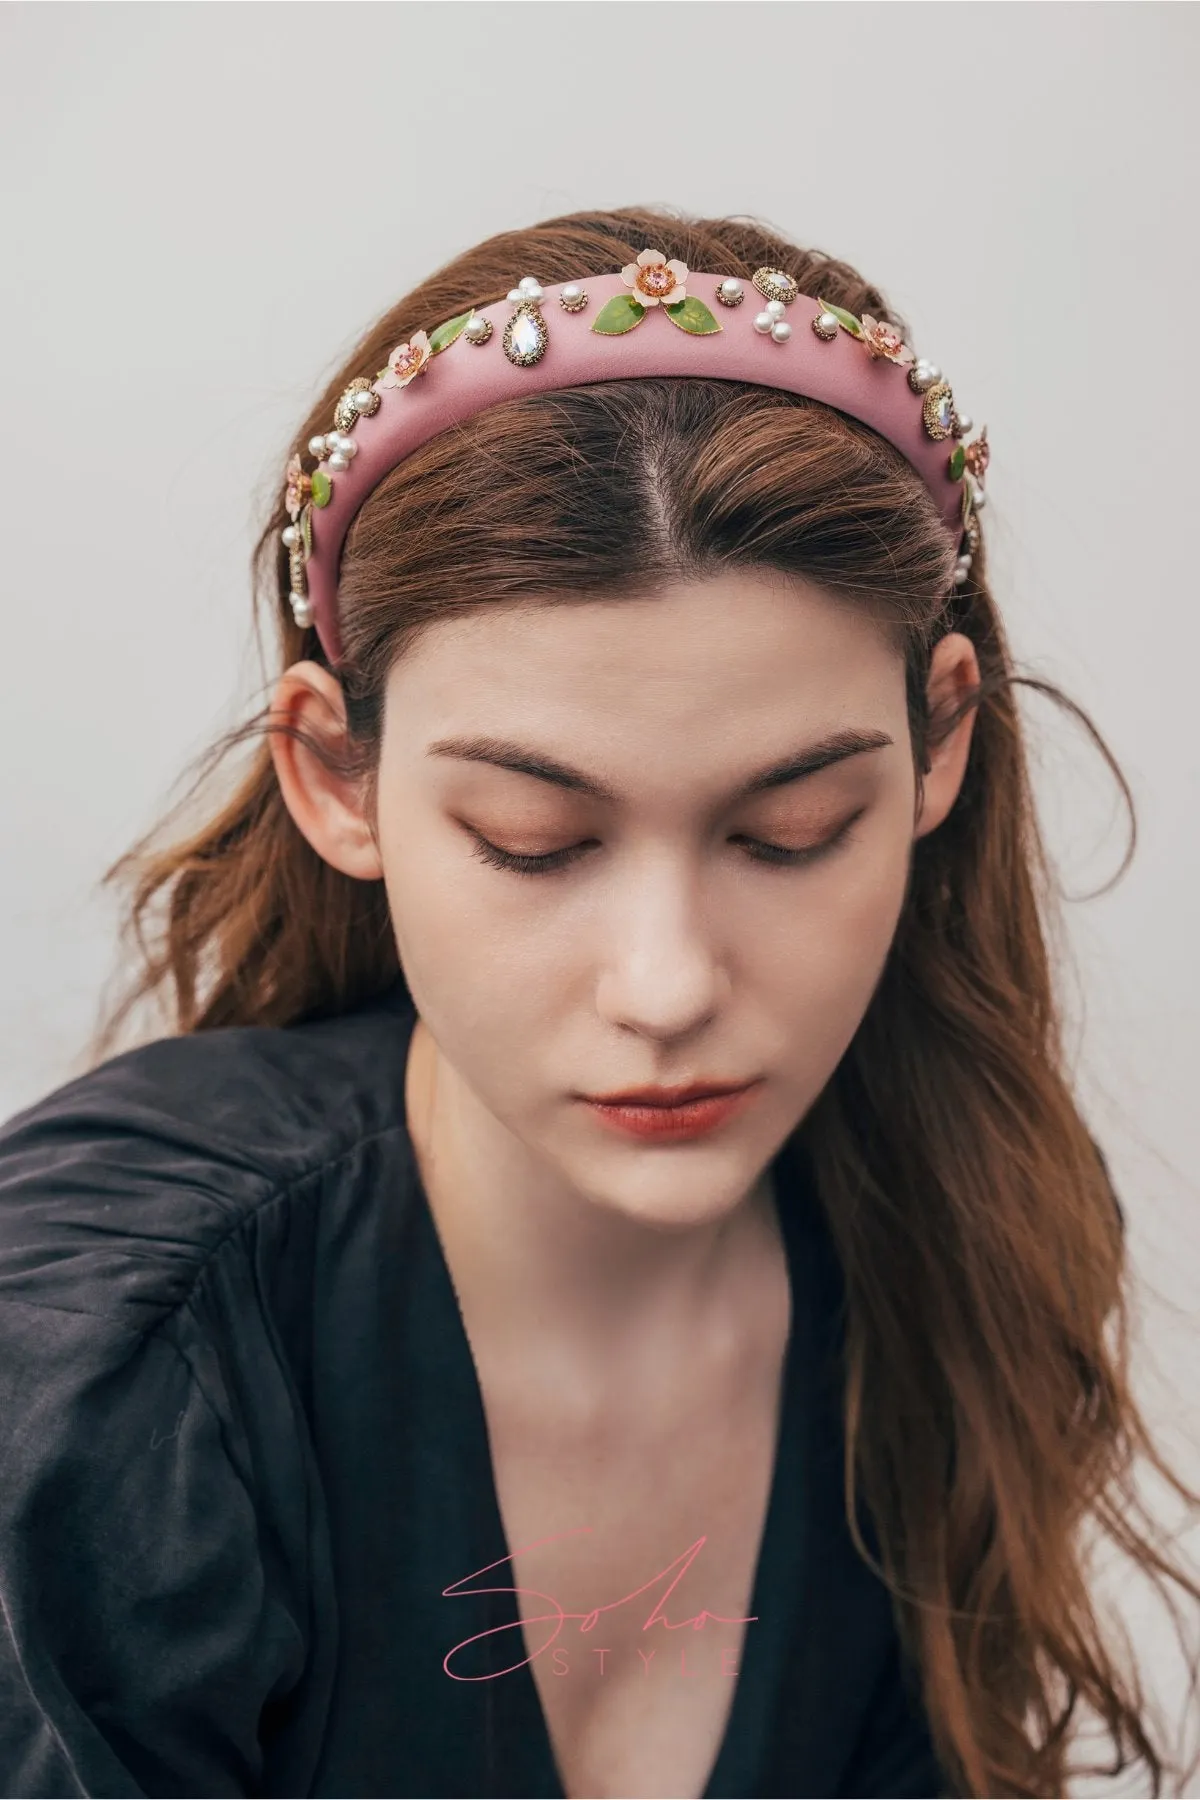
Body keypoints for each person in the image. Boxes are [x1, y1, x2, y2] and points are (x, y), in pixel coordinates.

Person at [0, 206, 1196, 1800]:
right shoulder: (103, 1366)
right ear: (333, 779)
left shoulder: (954, 1243)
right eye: (535, 845)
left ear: (940, 752)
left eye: (790, 835)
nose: (669, 987)